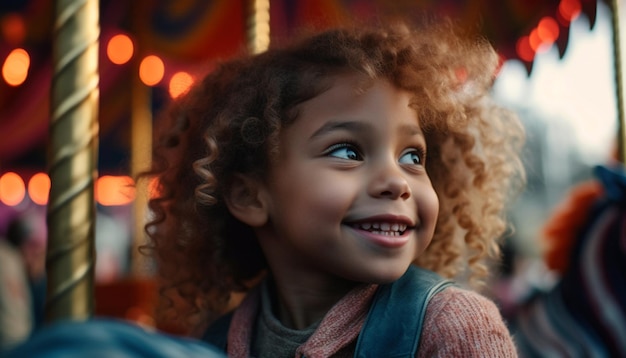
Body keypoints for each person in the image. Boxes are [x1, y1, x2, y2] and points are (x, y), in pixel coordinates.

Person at [142, 17, 525, 357]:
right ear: (248, 195)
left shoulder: (451, 327)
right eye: (348, 151)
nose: (396, 181)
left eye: (412, 157)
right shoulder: (217, 341)